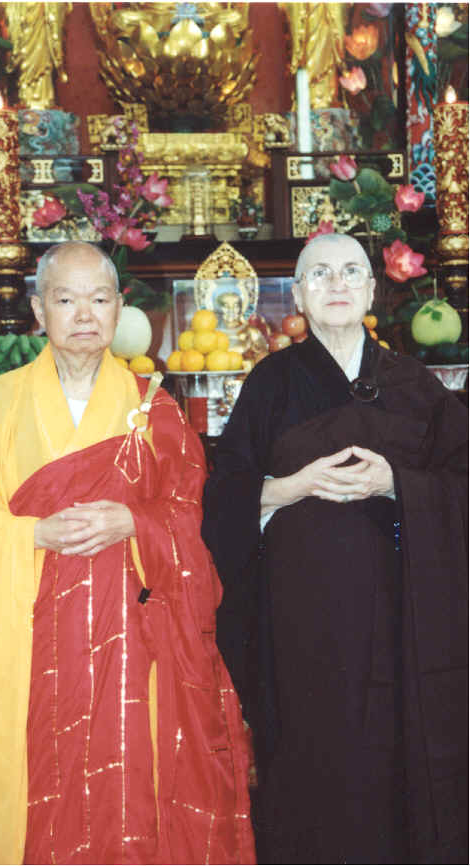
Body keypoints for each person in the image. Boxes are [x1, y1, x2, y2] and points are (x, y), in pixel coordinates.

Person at [0, 241, 256, 866]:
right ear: (38, 310)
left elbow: (195, 521)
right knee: (47, 784)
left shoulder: (155, 411)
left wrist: (134, 521)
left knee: (137, 782)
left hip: (139, 642)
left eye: (99, 298)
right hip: (32, 642)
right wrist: (30, 534)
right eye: (65, 298)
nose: (83, 313)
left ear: (118, 308)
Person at [202, 233, 468, 864]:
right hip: (304, 630)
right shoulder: (270, 384)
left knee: (402, 768)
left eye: (352, 271)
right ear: (297, 295)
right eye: (319, 274)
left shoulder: (416, 388)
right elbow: (223, 498)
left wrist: (397, 484)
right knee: (313, 770)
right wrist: (289, 486)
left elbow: (462, 483)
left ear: (373, 291)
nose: (337, 283)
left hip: (406, 623)